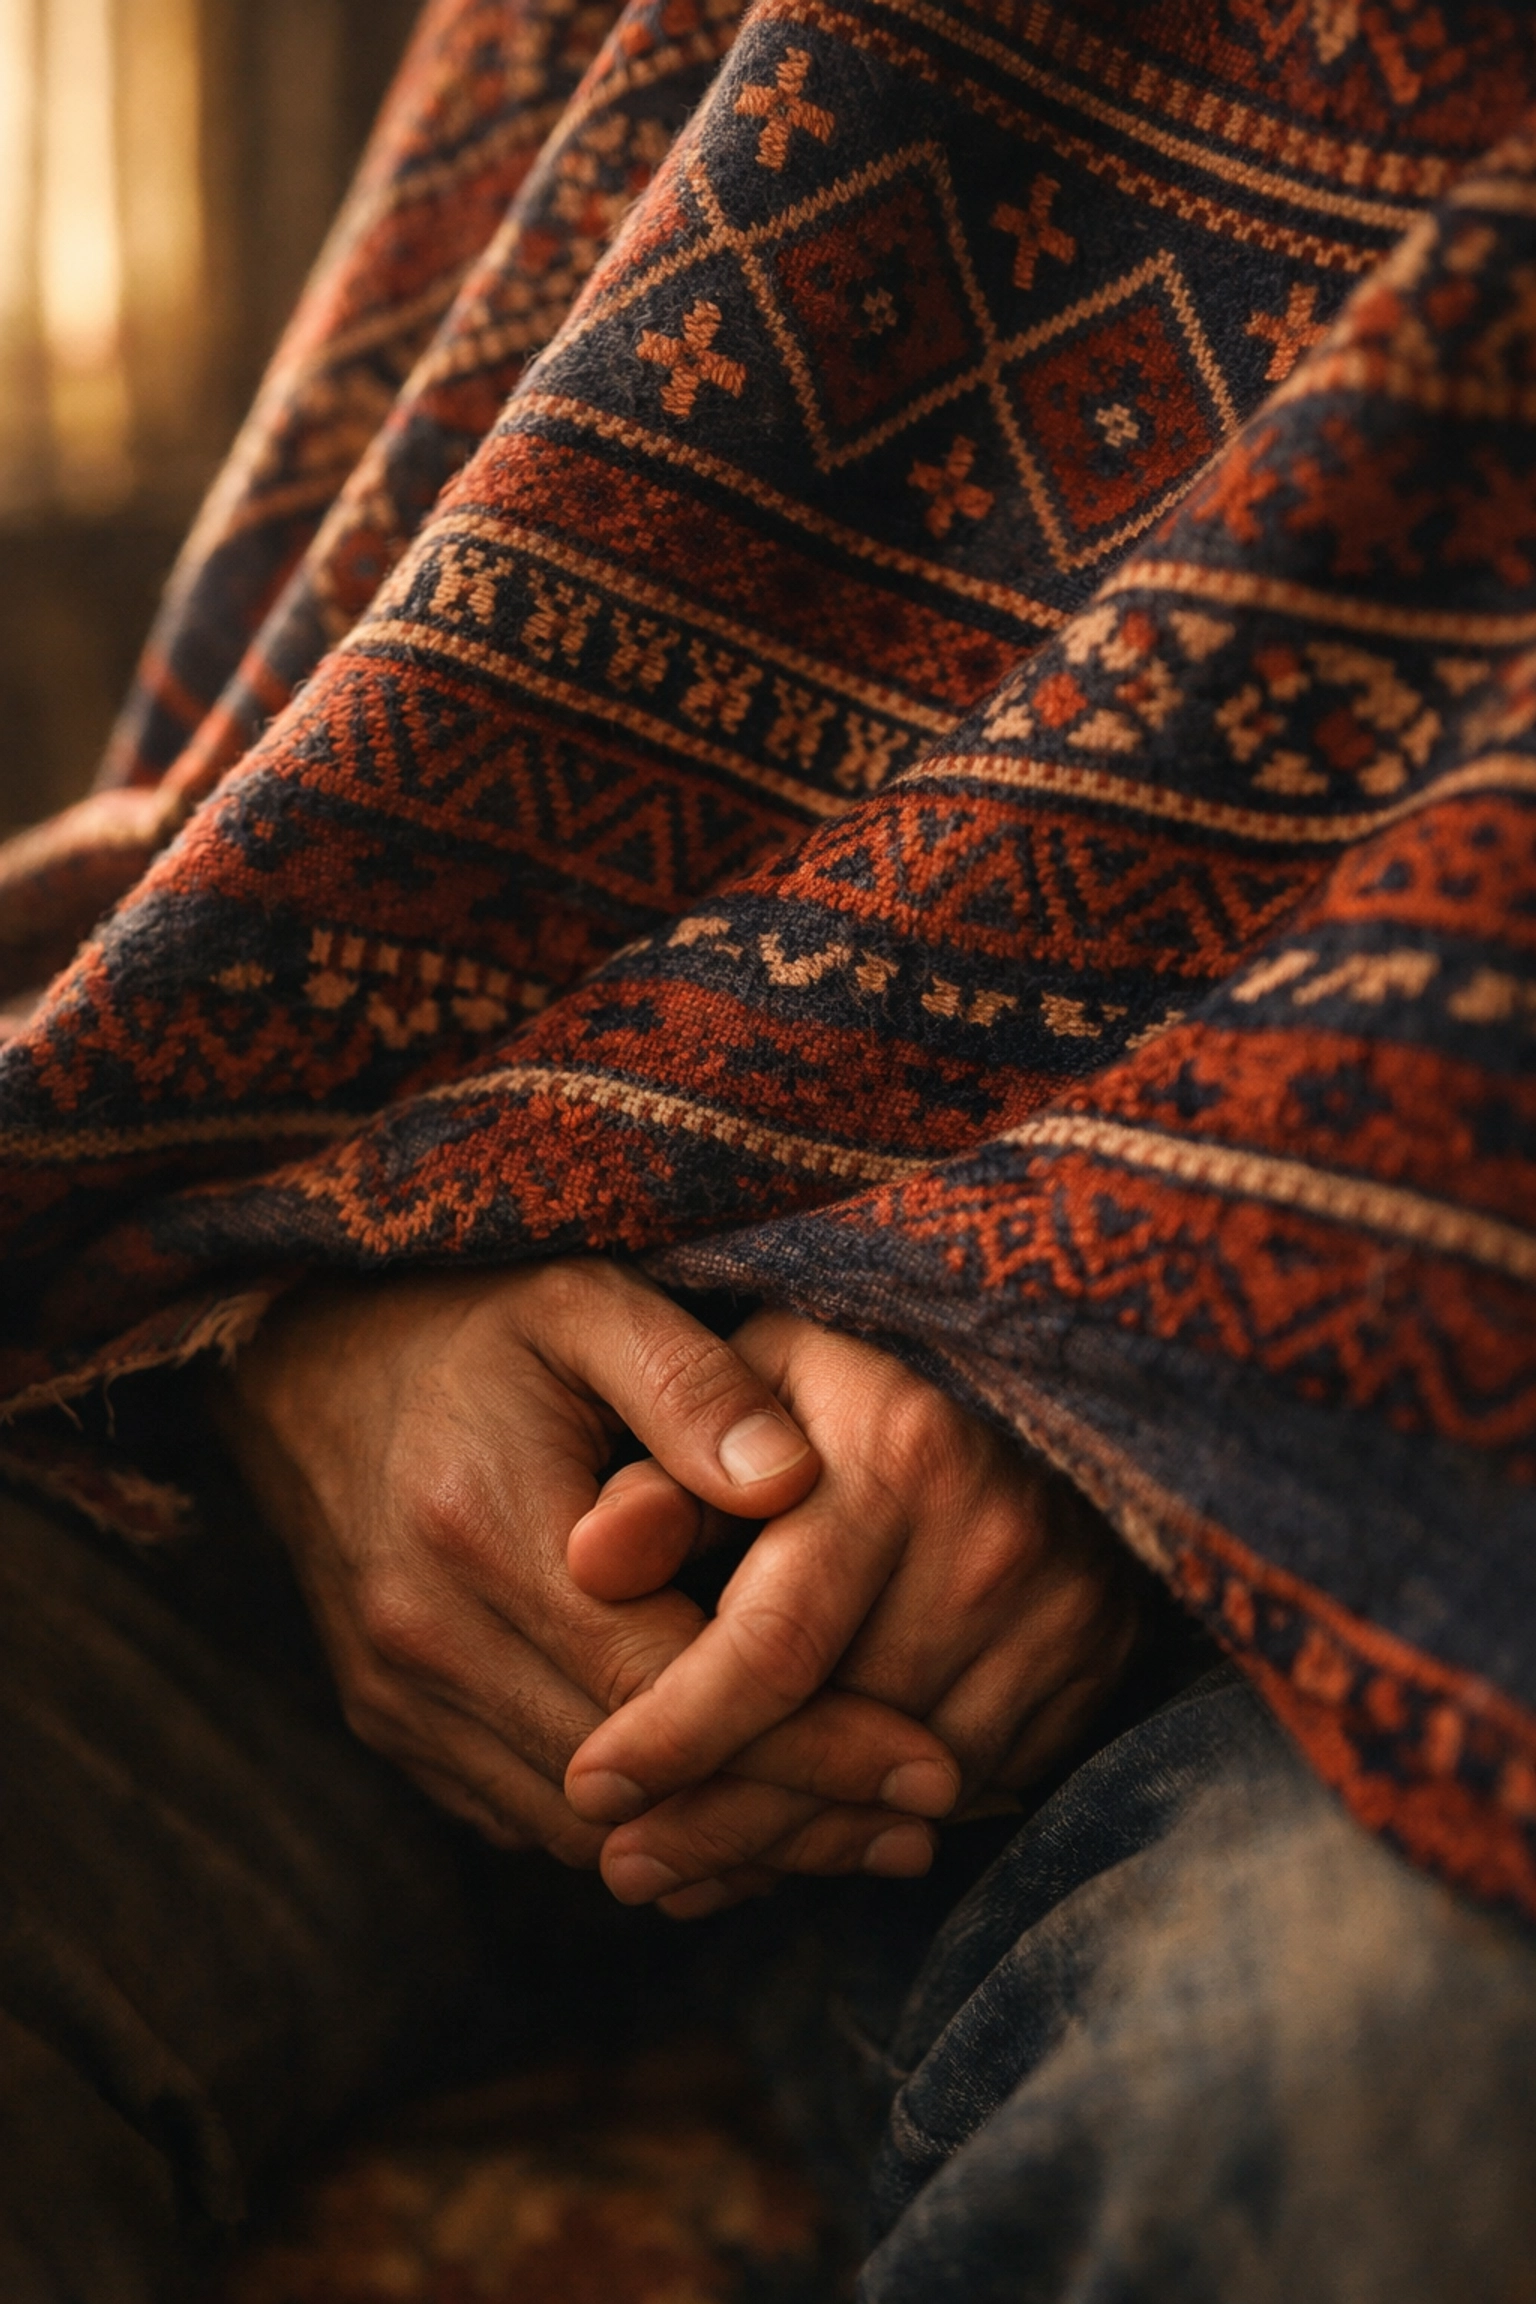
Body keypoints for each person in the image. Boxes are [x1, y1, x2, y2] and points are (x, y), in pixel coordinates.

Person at [1, 0, 1535, 2294]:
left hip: (1342, 1578)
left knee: (1383, 2080)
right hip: (382, 1369)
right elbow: (326, 769)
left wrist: (1114, 1397)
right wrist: (287, 1330)